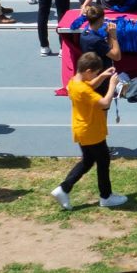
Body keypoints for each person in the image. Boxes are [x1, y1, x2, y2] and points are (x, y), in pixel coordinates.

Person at [52, 51, 126, 211]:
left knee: (87, 161)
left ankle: (63, 189)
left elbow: (90, 84)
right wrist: (112, 85)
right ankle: (106, 196)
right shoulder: (84, 91)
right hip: (92, 131)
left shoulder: (74, 82)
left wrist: (103, 76)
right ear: (87, 71)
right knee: (103, 161)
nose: (94, 76)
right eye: (94, 73)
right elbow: (105, 103)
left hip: (82, 129)